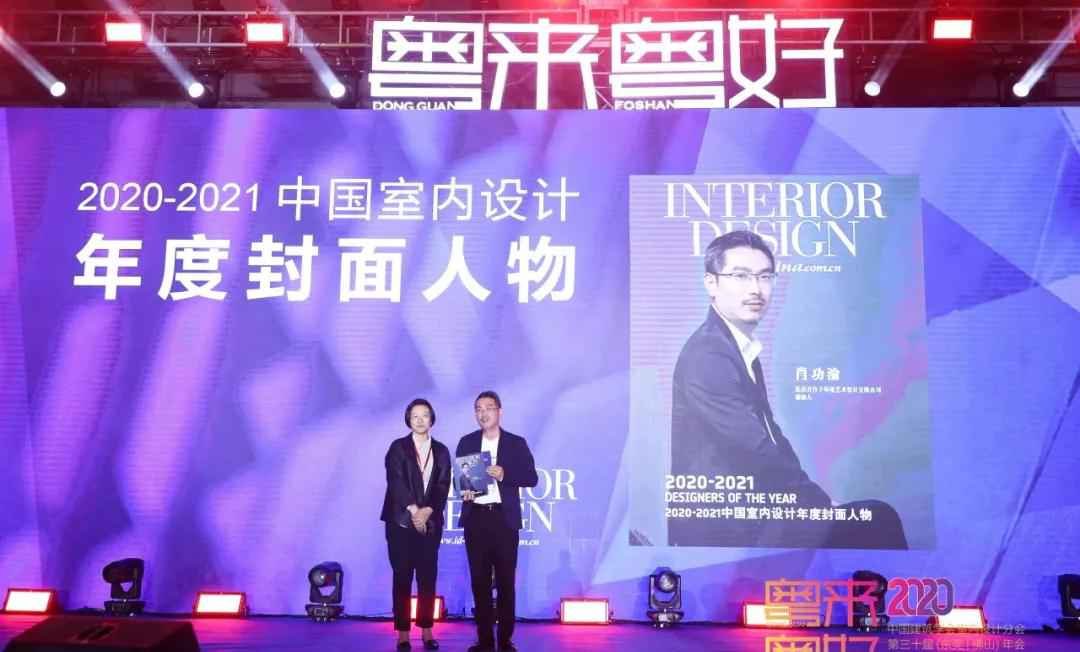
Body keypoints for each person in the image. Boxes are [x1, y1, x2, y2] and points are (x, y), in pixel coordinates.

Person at [669, 230, 907, 549]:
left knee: (874, 519)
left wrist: (816, 500)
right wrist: (817, 504)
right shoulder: (709, 356)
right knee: (879, 519)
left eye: (765, 277)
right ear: (711, 283)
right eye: (741, 276)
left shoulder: (735, 347)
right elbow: (756, 449)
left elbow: (772, 437)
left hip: (755, 514)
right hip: (728, 524)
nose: (756, 289)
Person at [456, 391, 538, 652]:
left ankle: (504, 638)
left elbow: (531, 478)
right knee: (479, 582)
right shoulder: (467, 442)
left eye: (488, 408)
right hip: (476, 519)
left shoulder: (516, 443)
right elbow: (462, 483)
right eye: (478, 409)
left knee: (505, 581)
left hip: (504, 519)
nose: (483, 413)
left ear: (500, 411)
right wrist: (464, 492)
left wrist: (504, 474)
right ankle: (484, 638)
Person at [381, 398, 452, 651]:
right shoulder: (398, 447)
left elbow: (443, 486)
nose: (420, 420)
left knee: (427, 578)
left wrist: (428, 511)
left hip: (429, 524)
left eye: (424, 415)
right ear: (408, 420)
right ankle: (402, 634)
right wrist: (414, 511)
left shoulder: (441, 450)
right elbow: (396, 482)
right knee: (402, 577)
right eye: (415, 416)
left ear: (432, 419)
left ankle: (427, 631)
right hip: (400, 523)